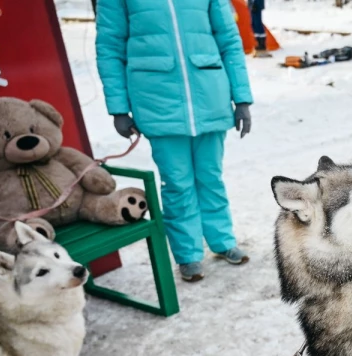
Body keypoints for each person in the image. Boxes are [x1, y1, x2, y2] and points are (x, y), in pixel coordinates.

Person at [96, 0, 254, 283]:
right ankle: (188, 254)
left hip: (210, 96)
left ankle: (222, 240)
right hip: (156, 101)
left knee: (211, 178)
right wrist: (118, 108)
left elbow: (229, 41)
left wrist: (241, 99)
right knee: (178, 184)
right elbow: (109, 48)